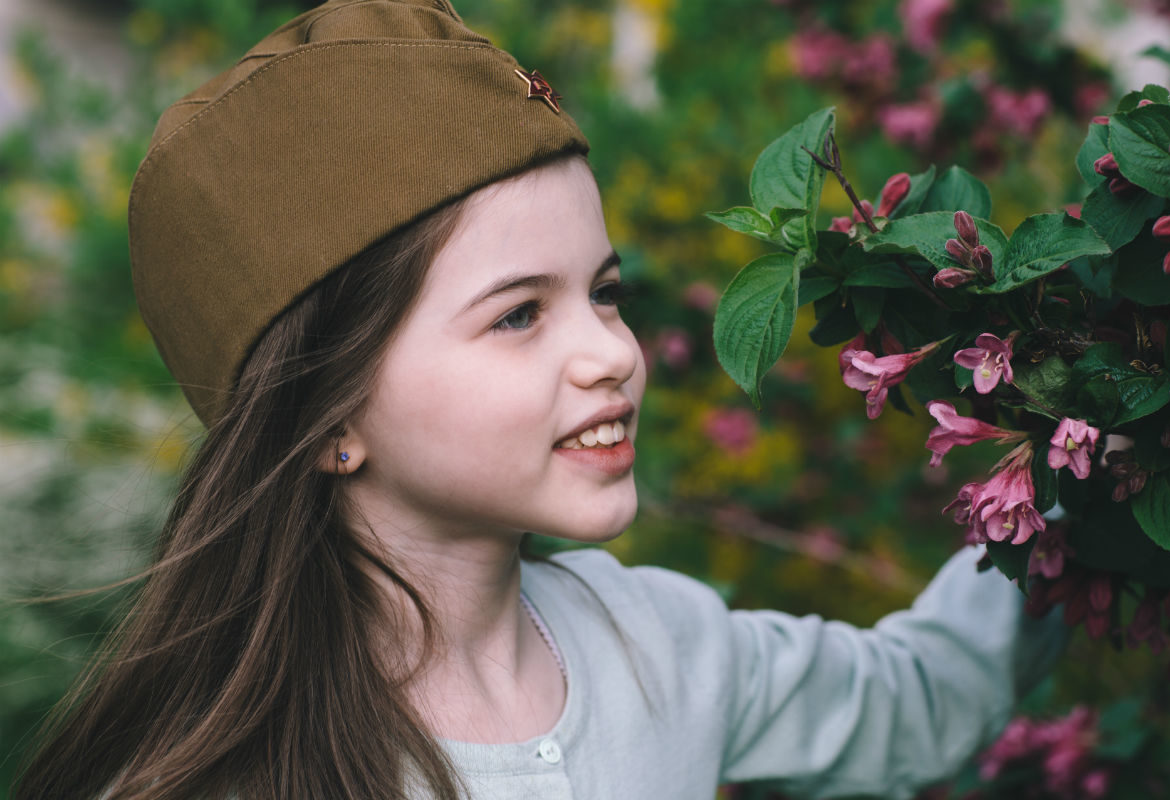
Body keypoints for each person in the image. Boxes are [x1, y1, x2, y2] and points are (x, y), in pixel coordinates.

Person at [13, 1, 1067, 798]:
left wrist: (1077, 454)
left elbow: (926, 695)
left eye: (604, 294)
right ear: (327, 414)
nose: (609, 351)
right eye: (518, 313)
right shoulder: (245, 772)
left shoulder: (661, 642)